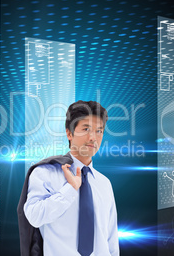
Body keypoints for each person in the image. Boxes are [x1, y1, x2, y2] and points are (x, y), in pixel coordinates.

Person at [17, 100, 119, 256]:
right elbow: (33, 217)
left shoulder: (104, 183)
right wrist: (69, 189)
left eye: (99, 131)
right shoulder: (45, 173)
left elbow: (111, 239)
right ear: (69, 133)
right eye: (86, 129)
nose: (93, 137)